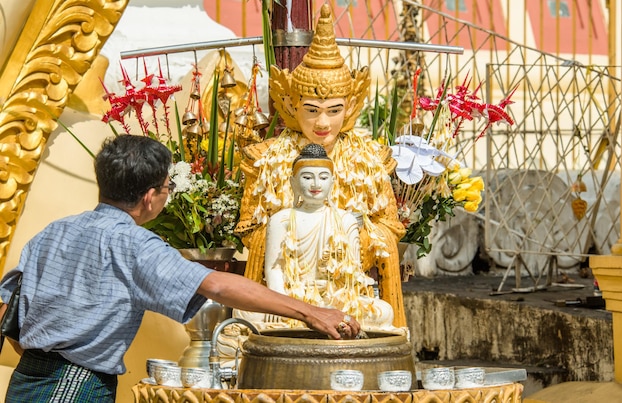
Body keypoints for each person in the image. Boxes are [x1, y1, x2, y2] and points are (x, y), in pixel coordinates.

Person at [0, 134, 360, 402]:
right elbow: (216, 286)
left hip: (27, 378)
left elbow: (6, 307)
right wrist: (311, 312)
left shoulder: (54, 231)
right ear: (150, 197)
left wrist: (39, 352)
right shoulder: (133, 244)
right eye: (167, 187)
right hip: (74, 386)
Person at [235, 3, 407, 327]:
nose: (323, 122)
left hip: (345, 287)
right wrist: (287, 228)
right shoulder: (267, 158)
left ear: (351, 106)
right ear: (290, 103)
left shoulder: (369, 158)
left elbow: (391, 227)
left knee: (380, 314)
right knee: (248, 314)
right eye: (312, 110)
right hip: (289, 290)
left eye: (334, 110)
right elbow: (250, 230)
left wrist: (351, 234)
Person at [234, 144, 395, 331]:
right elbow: (274, 268)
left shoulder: (346, 220)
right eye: (307, 177)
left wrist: (334, 295)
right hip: (292, 300)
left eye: (323, 177)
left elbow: (354, 273)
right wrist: (280, 302)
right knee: (243, 312)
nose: (316, 184)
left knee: (384, 312)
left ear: (333, 183)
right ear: (293, 182)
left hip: (334, 299)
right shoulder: (281, 220)